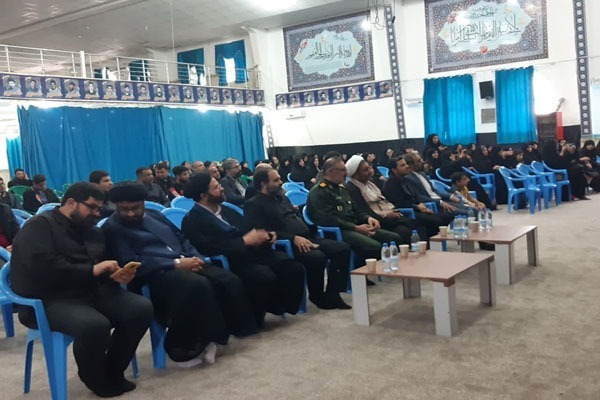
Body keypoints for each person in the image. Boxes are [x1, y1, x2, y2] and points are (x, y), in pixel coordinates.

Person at [10, 182, 153, 398]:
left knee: (140, 309)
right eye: (92, 207)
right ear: (71, 202)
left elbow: (100, 265)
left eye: (99, 209)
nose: (96, 213)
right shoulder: (38, 226)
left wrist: (115, 275)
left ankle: (113, 370)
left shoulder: (92, 231)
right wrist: (92, 270)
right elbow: (43, 268)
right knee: (94, 325)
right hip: (48, 299)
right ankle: (95, 378)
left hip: (88, 292)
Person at [103, 183, 258, 366]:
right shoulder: (113, 228)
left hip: (185, 261)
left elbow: (181, 237)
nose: (130, 213)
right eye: (124, 209)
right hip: (154, 274)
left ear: (143, 203)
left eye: (135, 208)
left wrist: (195, 257)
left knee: (226, 280)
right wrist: (176, 264)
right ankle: (182, 348)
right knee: (196, 285)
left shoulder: (154, 215)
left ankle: (218, 336)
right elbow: (131, 262)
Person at [181, 173, 305, 327]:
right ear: (204, 195)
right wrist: (243, 241)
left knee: (292, 267)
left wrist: (266, 235)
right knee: (263, 276)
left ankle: (279, 306)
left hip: (252, 252)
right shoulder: (192, 220)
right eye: (216, 187)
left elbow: (249, 228)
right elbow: (208, 247)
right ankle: (254, 318)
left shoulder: (227, 210)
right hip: (230, 259)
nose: (222, 188)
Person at [245, 168, 352, 309]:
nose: (281, 182)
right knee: (317, 257)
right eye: (276, 180)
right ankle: (317, 296)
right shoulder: (254, 204)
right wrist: (293, 238)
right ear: (263, 183)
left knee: (342, 249)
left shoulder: (282, 198)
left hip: (307, 237)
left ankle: (333, 293)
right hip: (286, 244)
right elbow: (263, 232)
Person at [306, 157, 403, 277]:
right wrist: (356, 228)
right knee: (373, 246)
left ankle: (380, 271)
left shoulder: (342, 189)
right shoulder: (319, 192)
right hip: (338, 230)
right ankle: (357, 276)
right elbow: (328, 219)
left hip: (354, 226)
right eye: (342, 170)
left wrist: (368, 218)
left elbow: (356, 210)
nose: (346, 173)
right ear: (330, 171)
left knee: (393, 238)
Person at [345, 155, 427, 245]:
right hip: (378, 221)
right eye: (365, 170)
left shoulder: (371, 183)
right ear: (355, 174)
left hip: (391, 216)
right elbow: (365, 211)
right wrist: (385, 214)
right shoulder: (352, 188)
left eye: (369, 168)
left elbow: (384, 200)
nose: (370, 171)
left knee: (419, 225)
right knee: (405, 232)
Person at [383, 156, 452, 237]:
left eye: (406, 164)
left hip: (416, 209)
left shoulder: (406, 180)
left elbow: (416, 196)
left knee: (446, 217)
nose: (407, 166)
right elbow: (400, 203)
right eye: (402, 165)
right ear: (394, 170)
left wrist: (422, 206)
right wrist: (417, 207)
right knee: (437, 221)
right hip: (406, 212)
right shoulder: (391, 184)